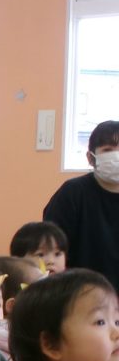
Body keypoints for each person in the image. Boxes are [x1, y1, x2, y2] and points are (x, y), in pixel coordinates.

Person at [43, 120, 119, 289]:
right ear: (91, 158)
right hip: (78, 291)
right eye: (108, 150)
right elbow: (50, 246)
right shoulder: (72, 193)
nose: (116, 156)